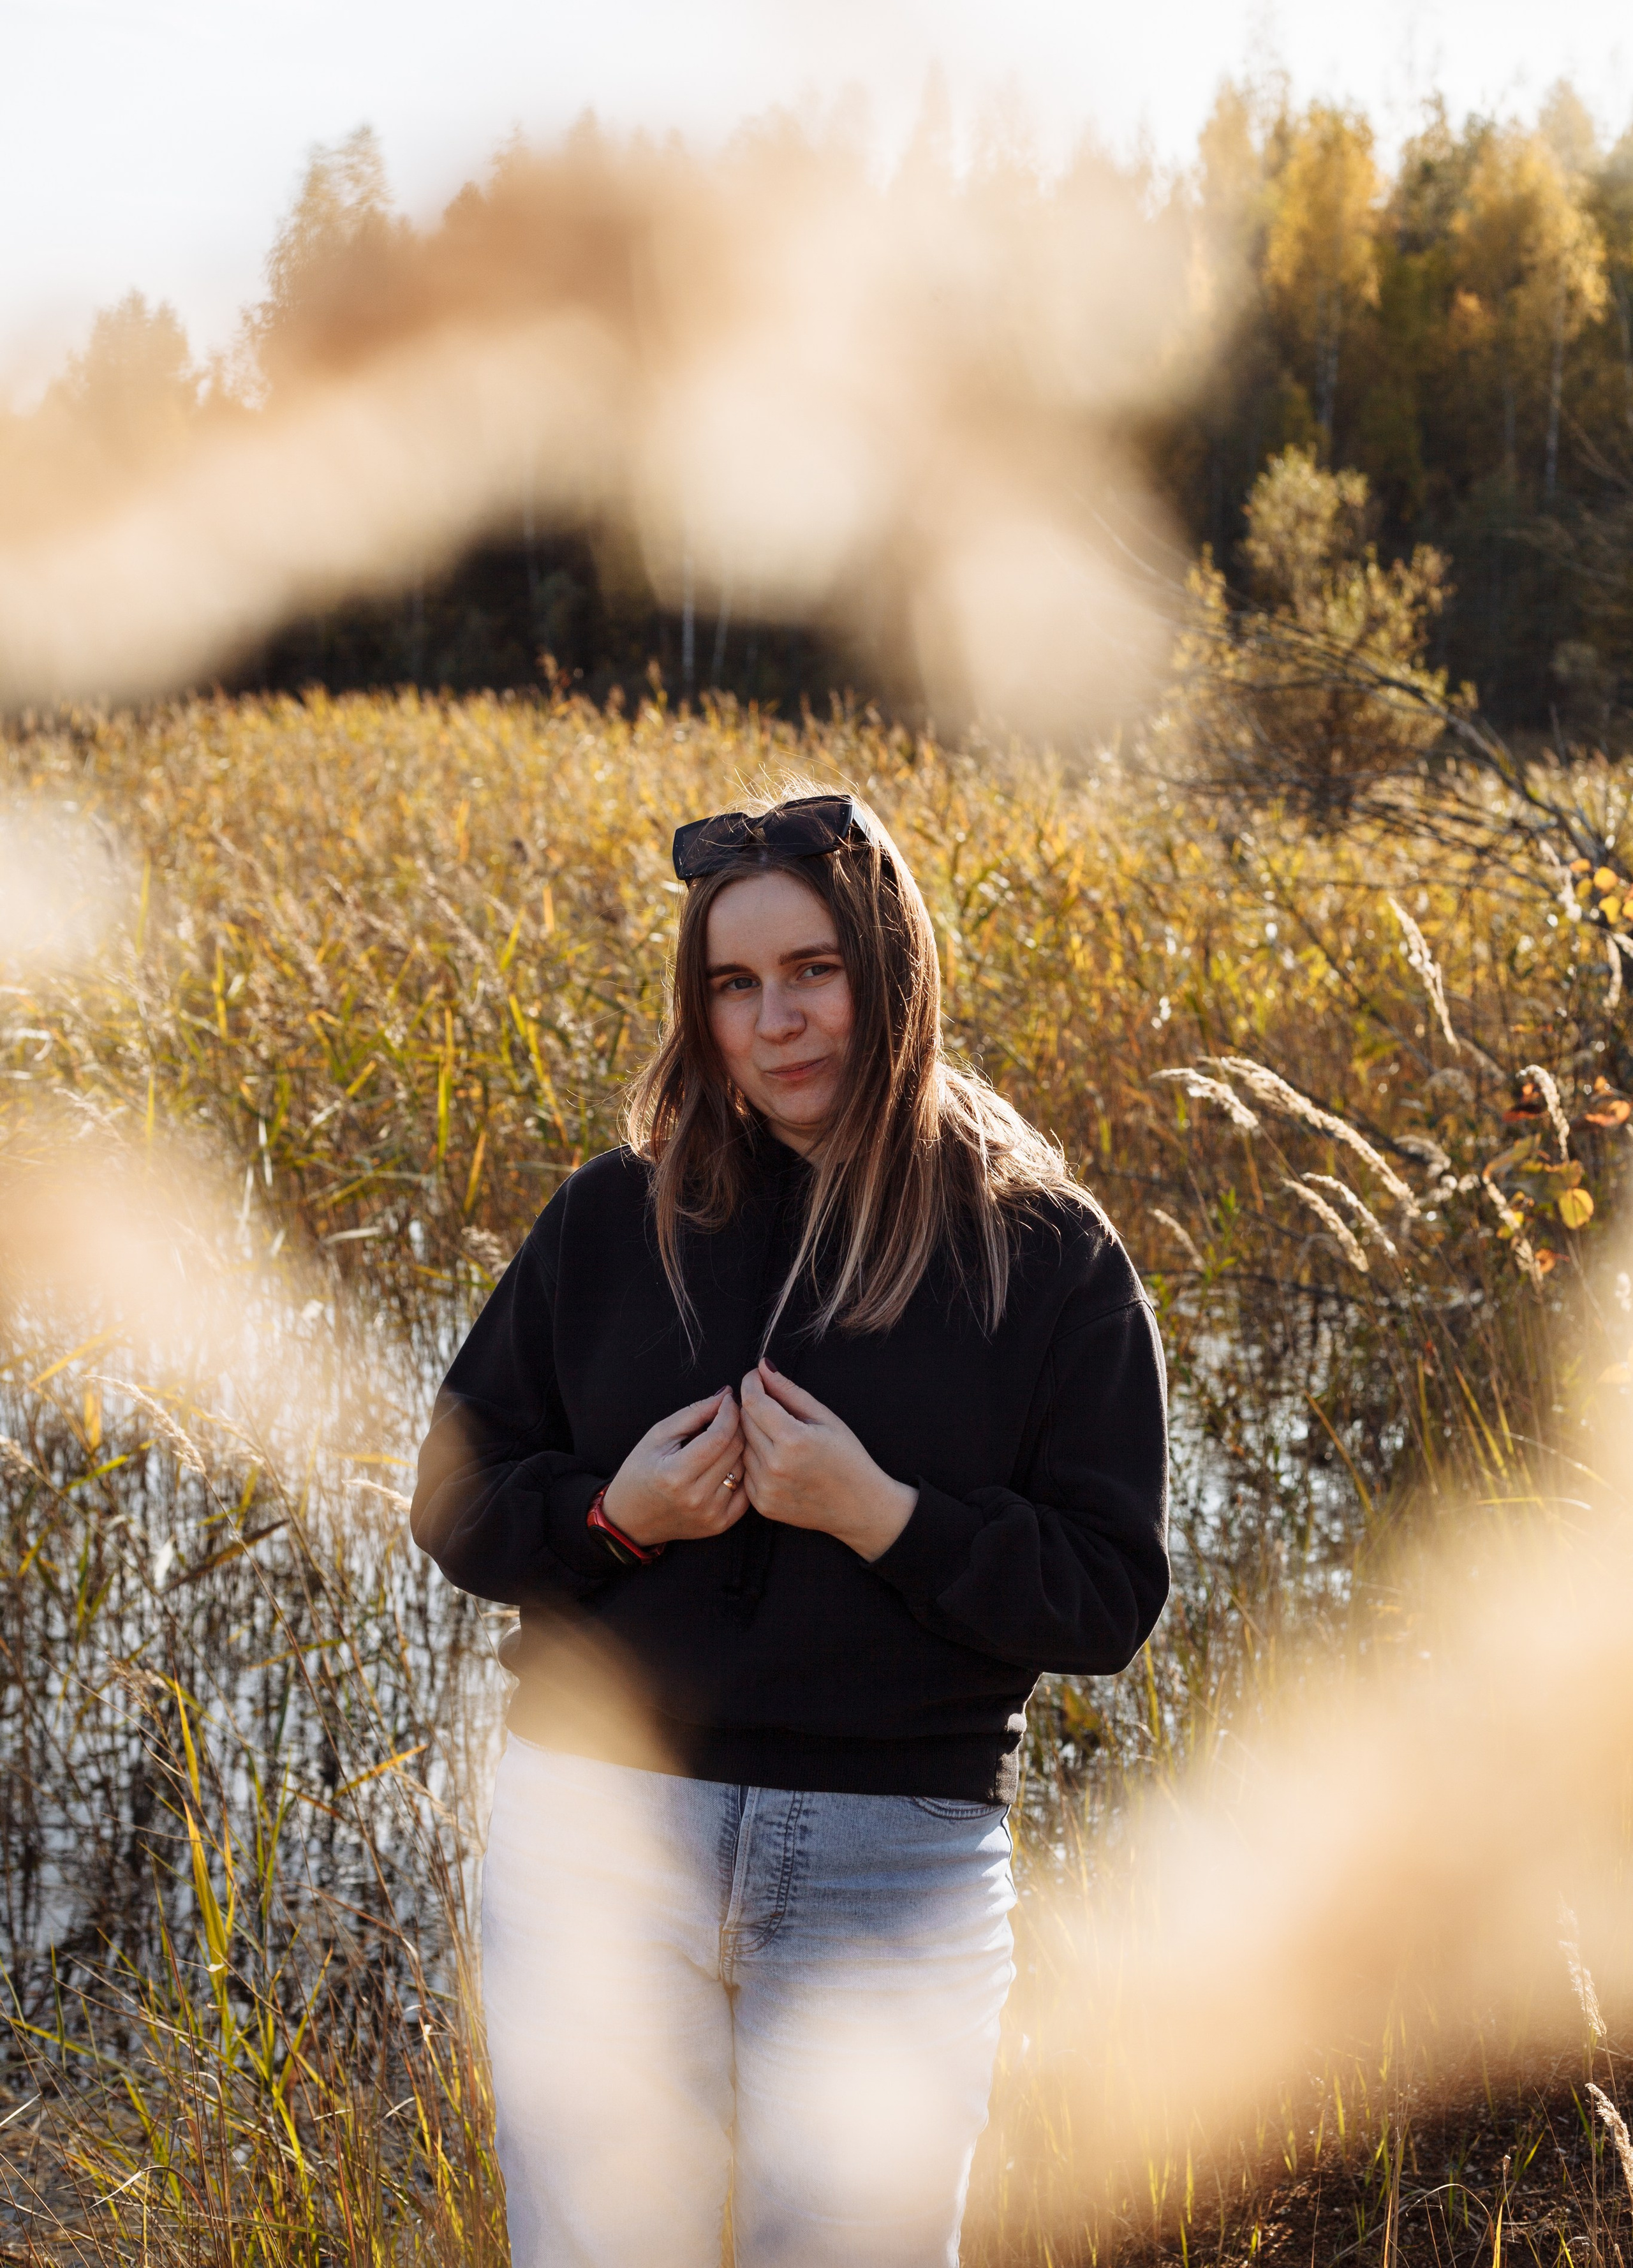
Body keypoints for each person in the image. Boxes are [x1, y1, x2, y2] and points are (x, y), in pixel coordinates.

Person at [411, 789, 1169, 2268]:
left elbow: (1105, 1597)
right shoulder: (611, 1220)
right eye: (734, 984)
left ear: (891, 968)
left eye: (814, 969)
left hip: (889, 1865)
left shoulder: (1041, 1250)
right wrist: (610, 1518)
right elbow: (454, 1498)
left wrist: (883, 1519)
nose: (776, 1022)